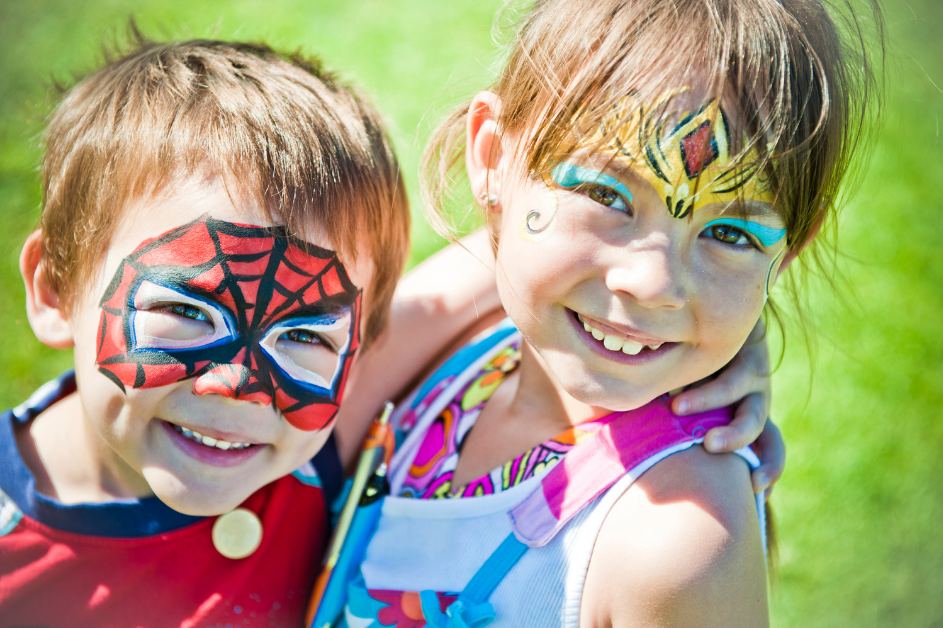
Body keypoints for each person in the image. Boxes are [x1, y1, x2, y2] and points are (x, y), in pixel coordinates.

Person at [0, 32, 785, 628]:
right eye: (185, 312)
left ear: (362, 340)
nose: (236, 383)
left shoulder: (308, 428)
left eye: (303, 334)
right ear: (55, 287)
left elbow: (538, 261)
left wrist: (704, 316)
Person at [340, 0, 883, 626]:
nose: (653, 283)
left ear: (784, 256)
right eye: (605, 193)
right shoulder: (458, 345)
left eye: (732, 234)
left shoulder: (676, 544)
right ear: (493, 158)